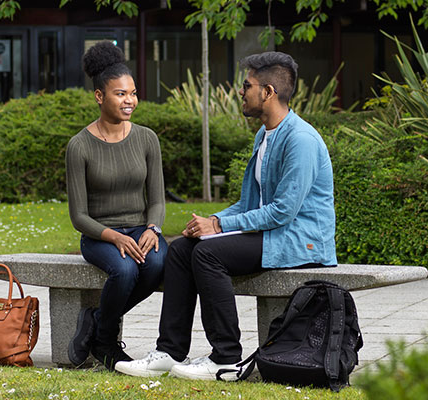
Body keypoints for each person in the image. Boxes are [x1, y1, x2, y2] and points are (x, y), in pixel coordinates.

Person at [115, 51, 337, 381]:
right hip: (274, 233)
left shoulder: (300, 139)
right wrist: (208, 222)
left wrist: (218, 226)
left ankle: (226, 359)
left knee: (207, 254)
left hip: (301, 241)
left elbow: (283, 212)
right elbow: (249, 203)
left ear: (268, 92)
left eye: (246, 85)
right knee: (181, 249)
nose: (240, 92)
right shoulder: (264, 136)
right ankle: (169, 351)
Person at [65, 41, 167, 370]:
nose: (130, 101)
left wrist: (153, 228)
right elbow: (78, 216)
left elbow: (157, 198)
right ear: (99, 96)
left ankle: (95, 321)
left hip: (141, 227)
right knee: (124, 270)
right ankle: (106, 341)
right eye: (120, 94)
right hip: (100, 234)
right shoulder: (79, 146)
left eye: (133, 93)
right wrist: (115, 237)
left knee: (157, 264)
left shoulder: (147, 138)